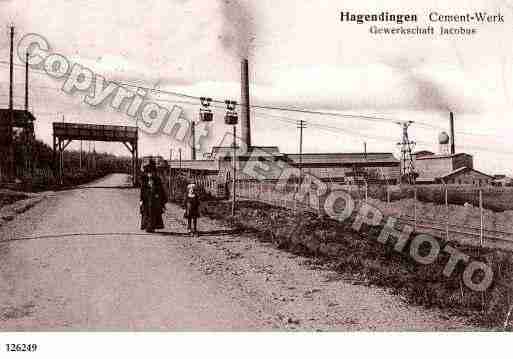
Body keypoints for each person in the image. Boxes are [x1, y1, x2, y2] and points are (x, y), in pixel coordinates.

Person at [140, 159, 166, 233]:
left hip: (155, 199)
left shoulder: (157, 180)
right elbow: (142, 190)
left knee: (154, 213)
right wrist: (141, 200)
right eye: (148, 172)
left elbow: (161, 190)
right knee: (146, 212)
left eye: (151, 172)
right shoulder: (144, 180)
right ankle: (147, 226)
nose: (150, 174)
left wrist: (160, 197)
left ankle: (152, 226)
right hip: (146, 198)